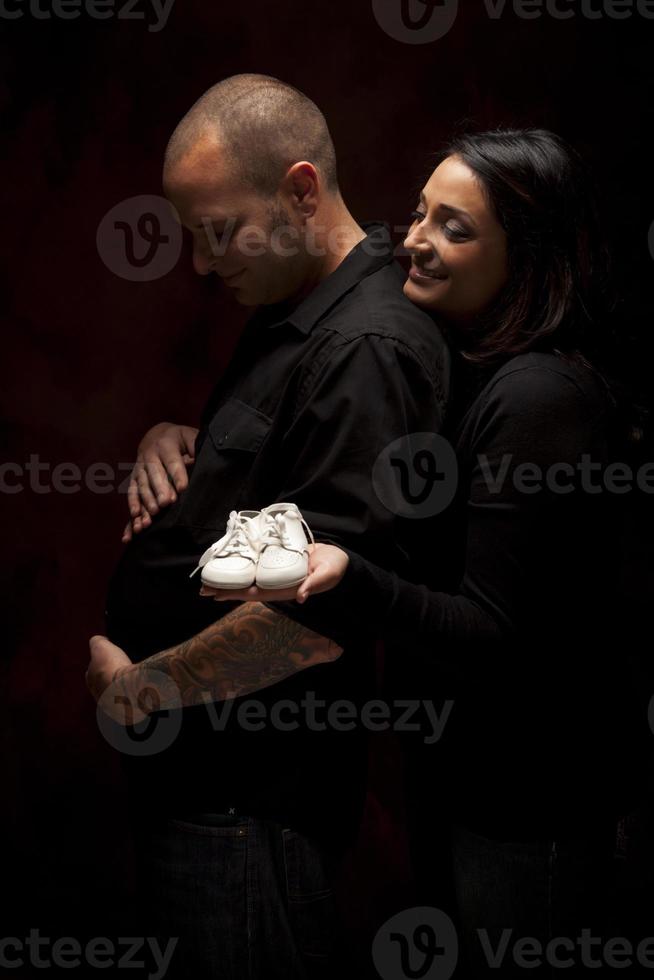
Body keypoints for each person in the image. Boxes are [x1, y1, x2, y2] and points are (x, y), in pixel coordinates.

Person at [116, 129, 646, 976]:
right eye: (420, 213)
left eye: (456, 227)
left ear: (531, 254)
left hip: (534, 803)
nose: (415, 239)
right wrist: (187, 440)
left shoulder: (536, 394)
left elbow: (499, 633)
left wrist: (350, 577)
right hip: (467, 785)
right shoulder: (477, 367)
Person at [86, 74, 450, 979]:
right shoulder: (294, 306)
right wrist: (179, 441)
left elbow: (317, 615)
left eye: (218, 233)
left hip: (250, 805)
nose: (202, 267)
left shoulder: (367, 346)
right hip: (207, 794)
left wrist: (146, 694)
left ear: (299, 191)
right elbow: (267, 494)